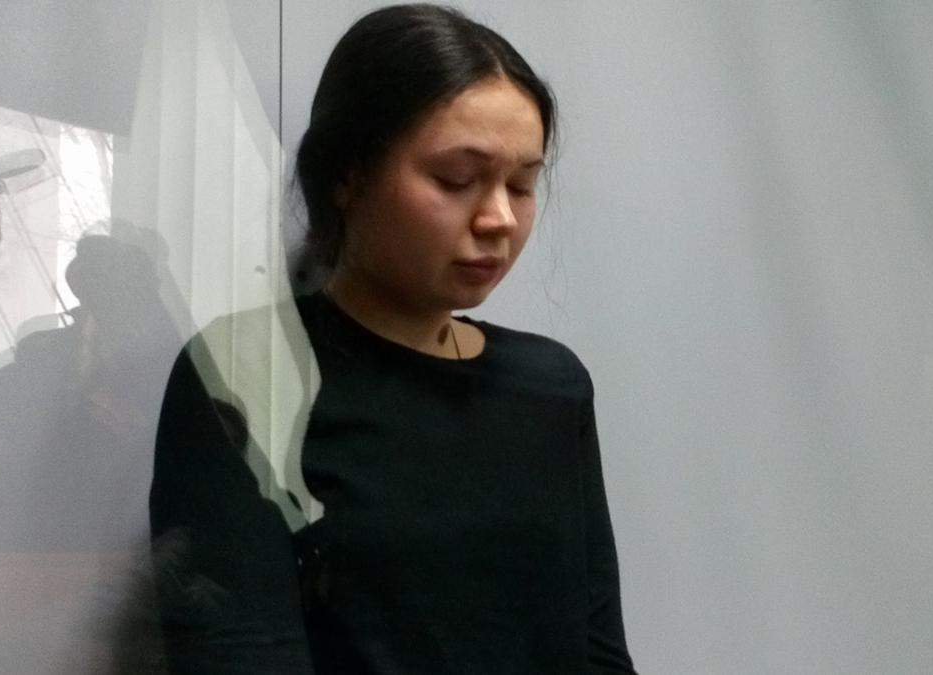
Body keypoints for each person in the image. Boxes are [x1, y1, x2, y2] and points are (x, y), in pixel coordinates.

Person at [150, 4, 636, 673]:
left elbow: (598, 649)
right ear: (347, 175)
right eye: (456, 180)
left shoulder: (551, 385)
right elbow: (236, 653)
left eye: (522, 185)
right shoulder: (246, 373)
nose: (499, 218)